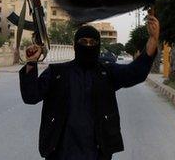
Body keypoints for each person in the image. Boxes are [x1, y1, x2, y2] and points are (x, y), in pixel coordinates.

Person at [20, 13, 159, 160]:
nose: (88, 46)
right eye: (83, 42)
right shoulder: (57, 73)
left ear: (98, 46)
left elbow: (135, 72)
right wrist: (31, 62)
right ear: (74, 46)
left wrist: (153, 39)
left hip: (96, 152)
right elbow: (31, 96)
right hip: (61, 153)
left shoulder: (106, 73)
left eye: (92, 43)